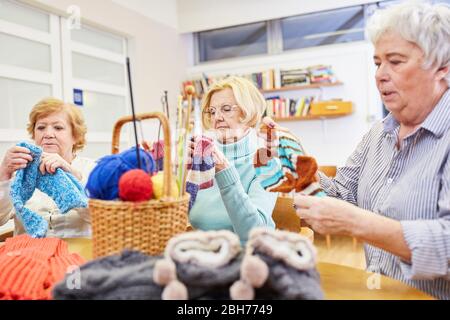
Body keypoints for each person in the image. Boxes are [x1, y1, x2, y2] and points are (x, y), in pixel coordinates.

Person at [264, 1, 450, 299]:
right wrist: (295, 164)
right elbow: (340, 195)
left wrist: (357, 223)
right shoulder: (378, 133)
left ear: (442, 68)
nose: (380, 75)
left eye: (396, 61)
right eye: (377, 63)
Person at [188, 76, 277, 244]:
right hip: (205, 251)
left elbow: (254, 233)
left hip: (251, 256)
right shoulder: (200, 158)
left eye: (226, 109)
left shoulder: (268, 163)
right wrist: (178, 174)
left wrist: (225, 172)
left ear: (248, 112)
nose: (217, 118)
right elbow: (181, 215)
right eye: (212, 111)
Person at [0, 98, 96, 238]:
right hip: (27, 255)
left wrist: (73, 177)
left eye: (58, 128)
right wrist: (4, 174)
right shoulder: (22, 174)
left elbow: (104, 219)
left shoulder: (93, 171)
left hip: (77, 255)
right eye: (41, 127)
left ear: (75, 136)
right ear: (34, 134)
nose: (48, 134)